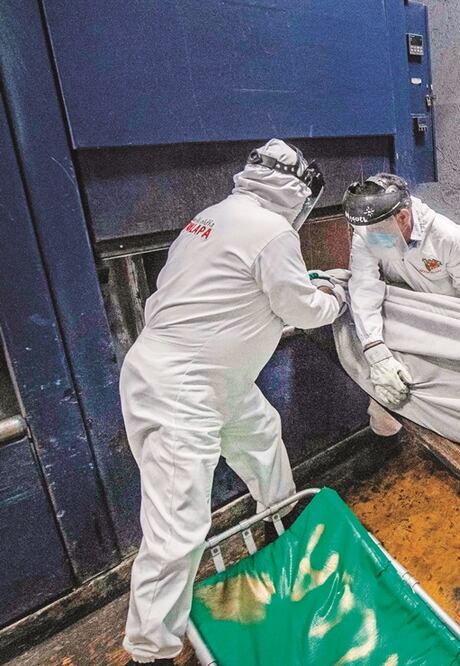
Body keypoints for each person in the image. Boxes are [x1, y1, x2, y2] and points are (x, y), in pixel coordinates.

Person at [120, 139, 348, 665]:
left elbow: (228, 287)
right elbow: (299, 306)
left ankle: (284, 518)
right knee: (178, 523)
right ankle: (150, 650)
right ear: (297, 190)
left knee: (261, 434)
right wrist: (334, 295)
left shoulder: (215, 215)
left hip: (205, 377)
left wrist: (303, 285)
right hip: (183, 390)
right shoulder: (273, 232)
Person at [342, 173, 460, 441]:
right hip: (404, 324)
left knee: (451, 404)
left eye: (376, 231)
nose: (369, 237)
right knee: (385, 401)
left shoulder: (449, 239)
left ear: (404, 218)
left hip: (451, 327)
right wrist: (377, 354)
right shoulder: (367, 233)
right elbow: (364, 288)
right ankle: (393, 448)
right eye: (364, 231)